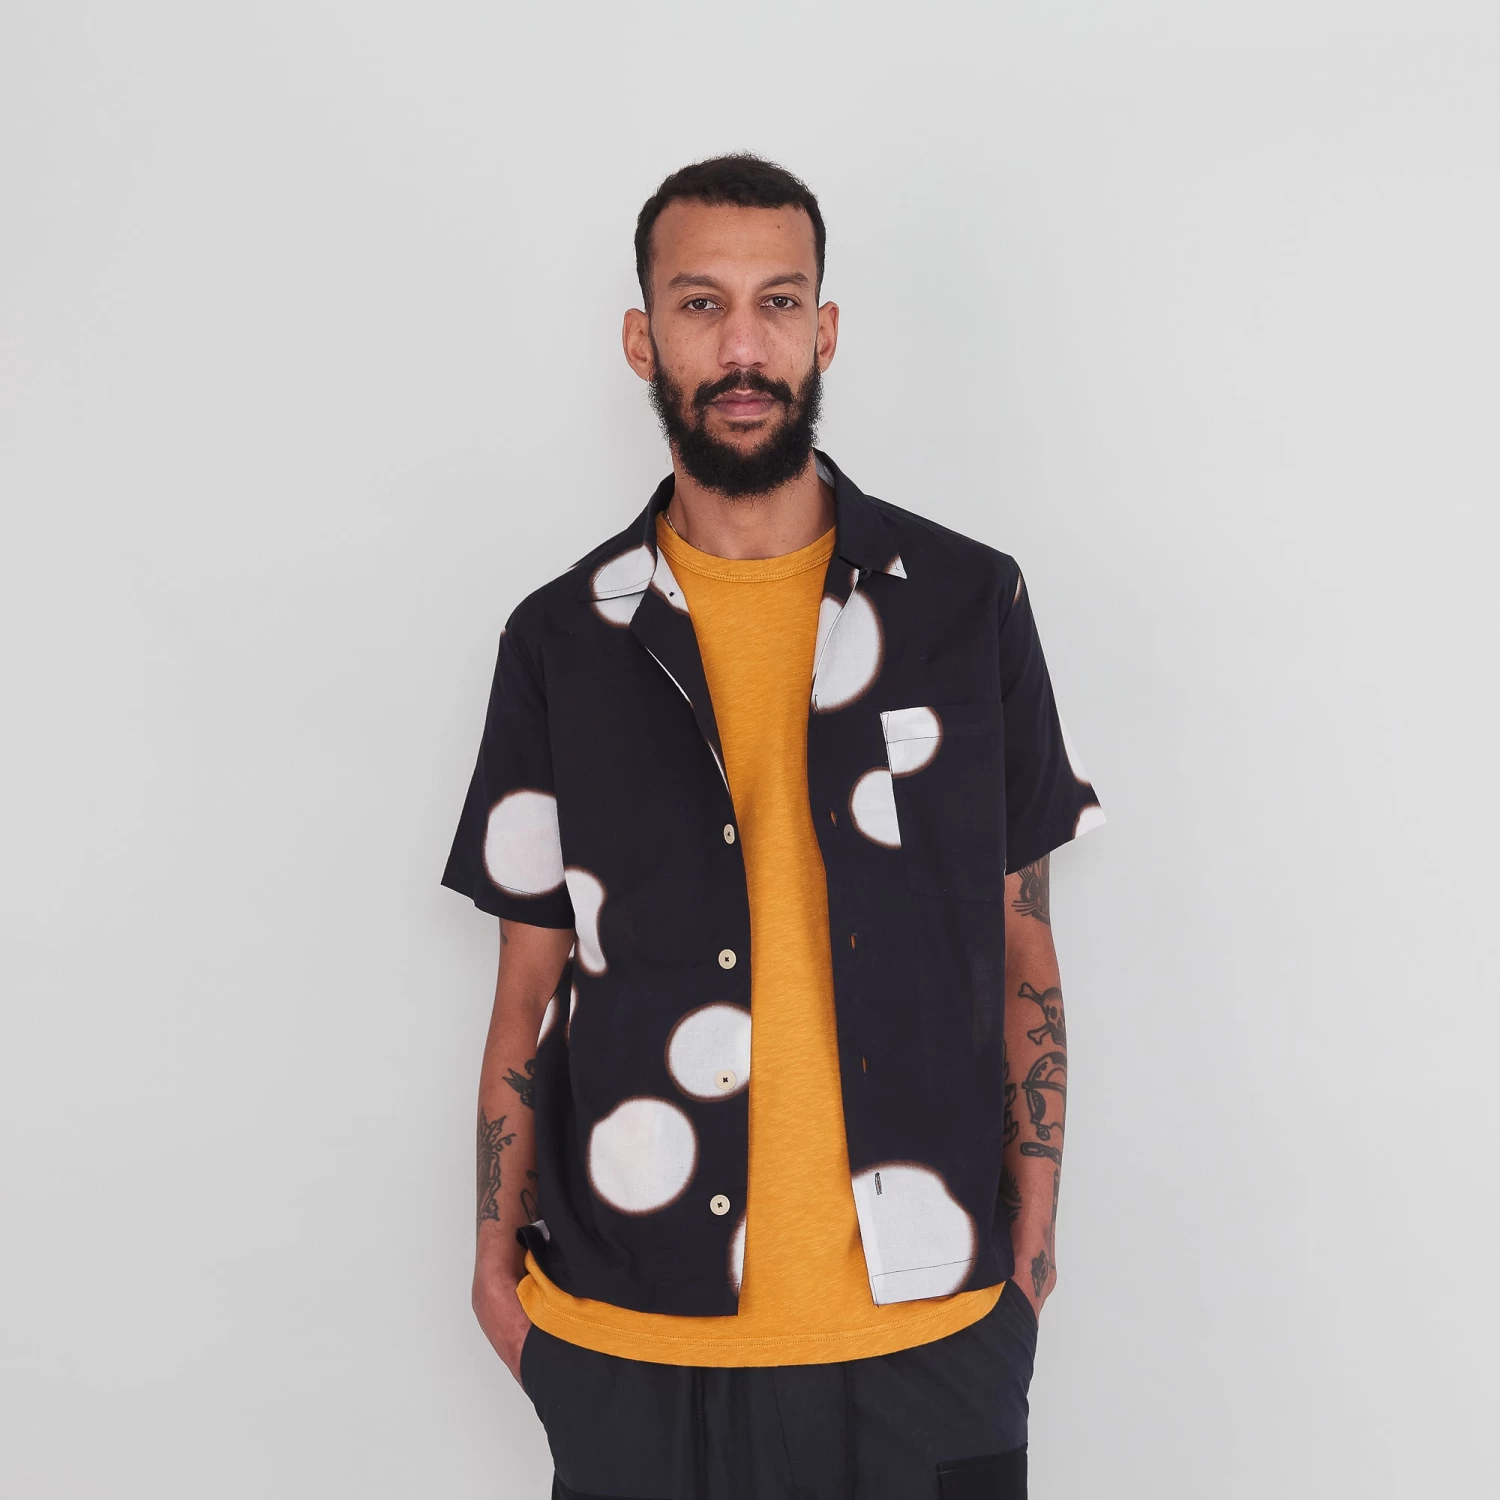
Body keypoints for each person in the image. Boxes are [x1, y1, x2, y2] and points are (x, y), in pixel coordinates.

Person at [443, 154, 1105, 1500]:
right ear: (643, 339)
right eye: (701, 304)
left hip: (933, 1336)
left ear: (825, 331)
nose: (742, 347)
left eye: (778, 302)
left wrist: (1029, 1244)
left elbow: (1022, 943)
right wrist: (495, 1272)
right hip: (633, 1338)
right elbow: (525, 988)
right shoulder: (559, 643)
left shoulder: (968, 607)